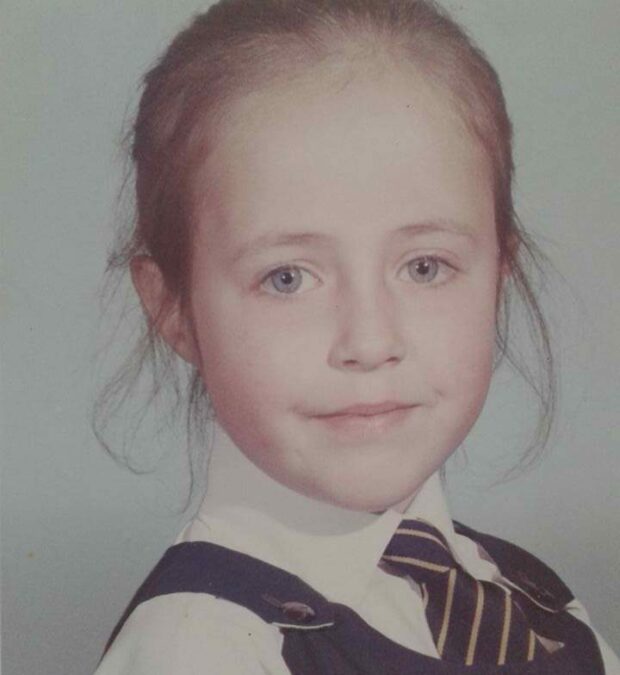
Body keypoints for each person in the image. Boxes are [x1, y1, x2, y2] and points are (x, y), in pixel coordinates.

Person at [93, 0, 619, 672]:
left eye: (425, 266)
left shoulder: (536, 602)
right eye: (287, 277)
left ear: (498, 275)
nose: (370, 342)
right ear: (172, 308)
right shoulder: (202, 647)